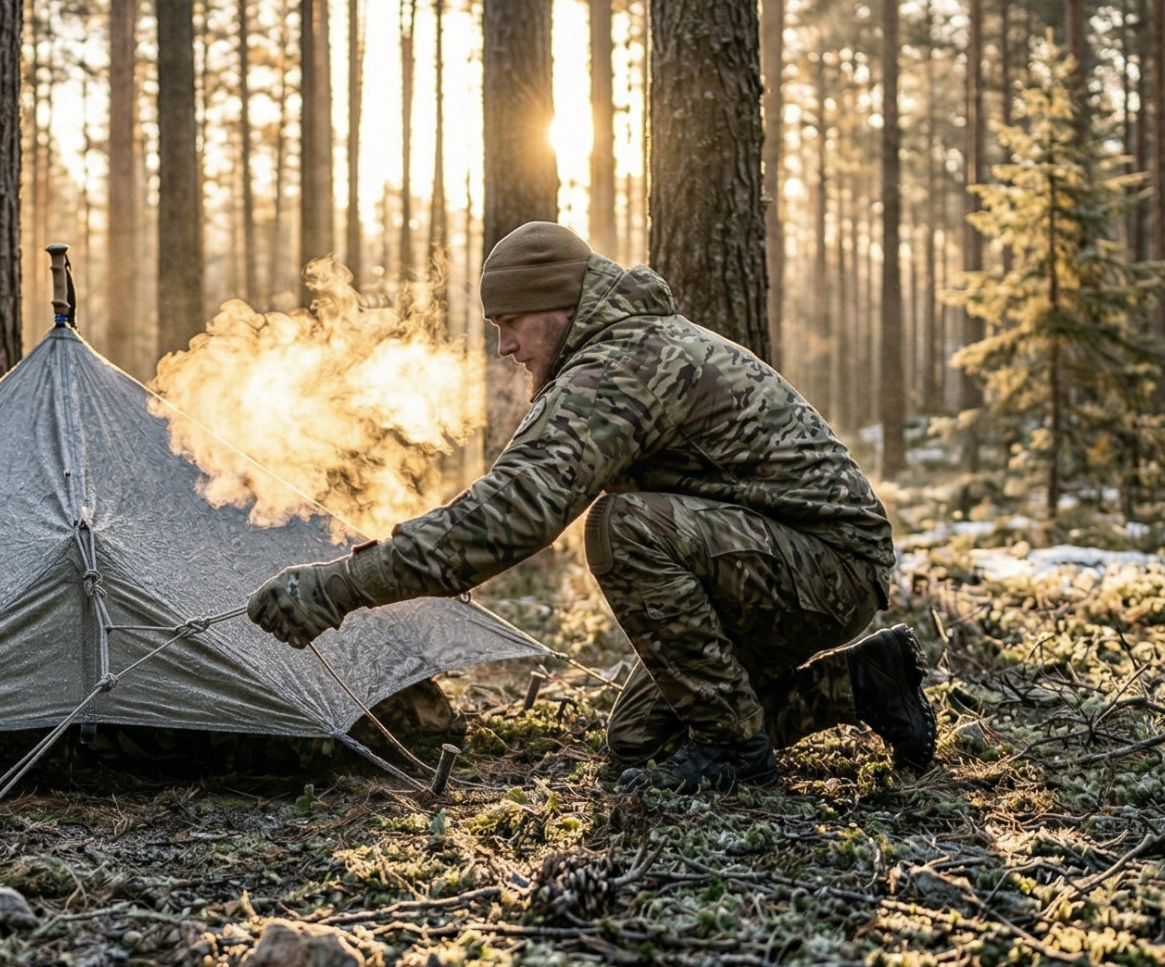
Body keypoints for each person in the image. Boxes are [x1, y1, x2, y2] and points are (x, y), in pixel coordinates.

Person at [246, 221, 935, 791]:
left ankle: (733, 753)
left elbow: (507, 519)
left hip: (827, 569)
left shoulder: (620, 366)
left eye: (512, 323)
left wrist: (337, 588)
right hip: (785, 565)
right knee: (640, 745)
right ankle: (864, 683)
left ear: (558, 308)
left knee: (624, 529)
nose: (504, 346)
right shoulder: (613, 353)